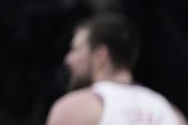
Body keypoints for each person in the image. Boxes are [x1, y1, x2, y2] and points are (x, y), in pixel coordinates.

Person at [47, 13, 186, 125]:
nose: (68, 59)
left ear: (101, 55)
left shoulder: (76, 108)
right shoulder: (173, 114)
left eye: (76, 49)